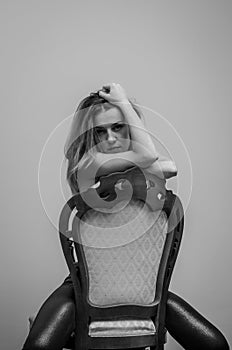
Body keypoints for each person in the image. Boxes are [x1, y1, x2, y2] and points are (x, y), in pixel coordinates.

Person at [22, 83, 229, 350]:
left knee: (214, 344)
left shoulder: (132, 160)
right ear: (89, 135)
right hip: (86, 290)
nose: (110, 138)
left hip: (144, 291)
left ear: (129, 127)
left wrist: (125, 107)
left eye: (118, 126)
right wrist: (123, 103)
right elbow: (156, 160)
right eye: (100, 131)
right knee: (39, 345)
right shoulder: (88, 163)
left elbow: (168, 165)